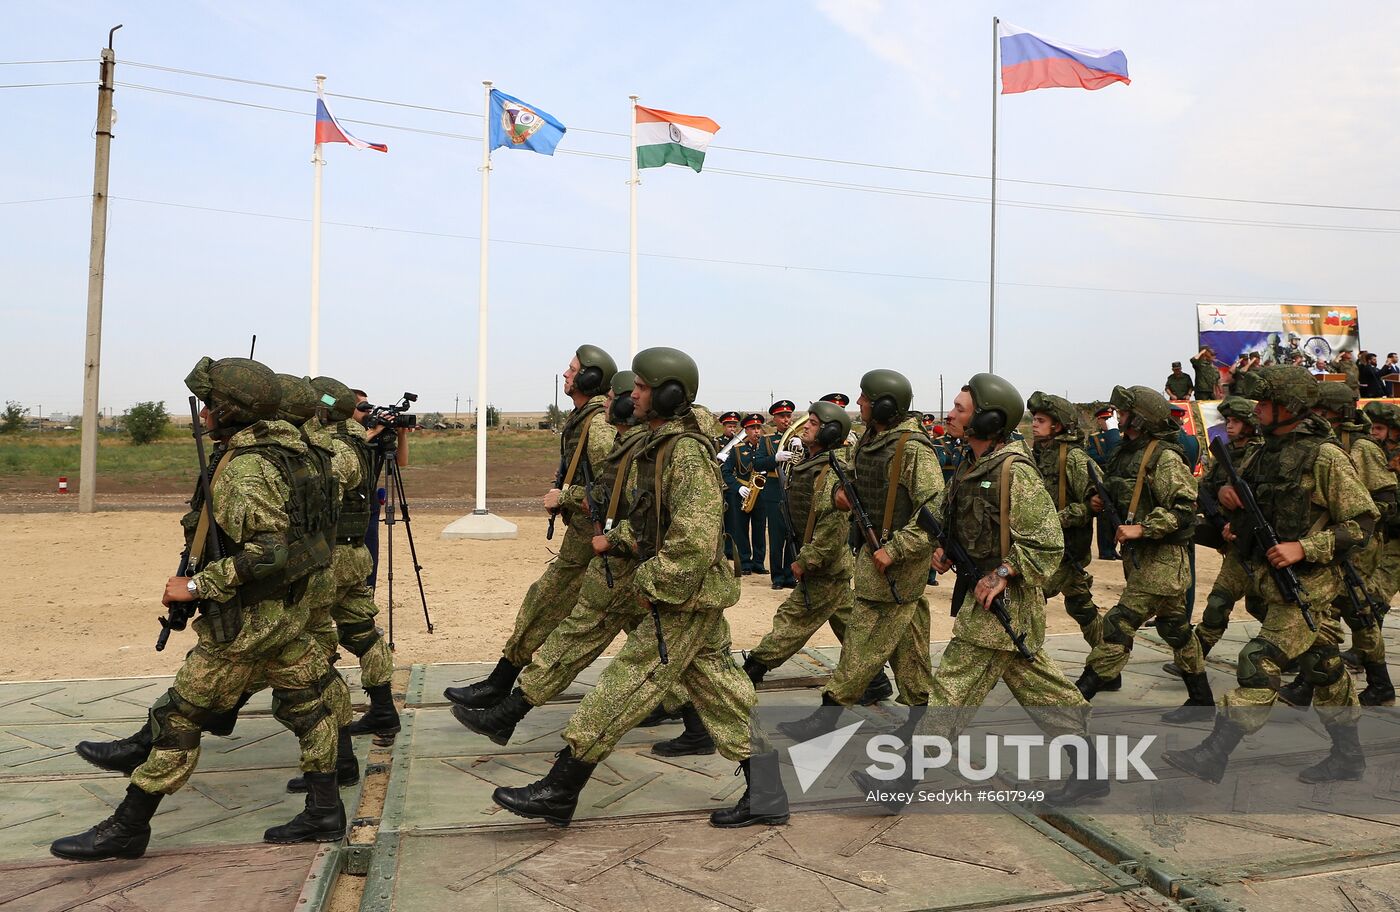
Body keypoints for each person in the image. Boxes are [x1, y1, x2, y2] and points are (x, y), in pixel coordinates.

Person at [53, 357, 343, 861]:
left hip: (249, 621)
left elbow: (269, 551)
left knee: (182, 716)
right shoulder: (301, 453)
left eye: (210, 405)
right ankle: (325, 810)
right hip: (293, 610)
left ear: (232, 410)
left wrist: (196, 584)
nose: (203, 415)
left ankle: (128, 826)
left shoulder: (248, 468)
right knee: (308, 705)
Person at [490, 347, 789, 829]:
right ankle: (769, 792)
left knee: (623, 686)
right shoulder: (659, 447)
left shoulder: (685, 455)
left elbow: (692, 540)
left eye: (644, 388)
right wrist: (621, 540)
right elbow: (654, 524)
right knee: (722, 691)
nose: (634, 396)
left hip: (680, 596)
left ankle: (561, 788)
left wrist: (649, 582)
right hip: (687, 595)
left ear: (669, 394)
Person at [852, 374, 1105, 809]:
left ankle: (900, 783)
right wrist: (947, 551)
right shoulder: (972, 465)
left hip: (1000, 604)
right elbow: (969, 523)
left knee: (950, 689)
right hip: (989, 601)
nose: (950, 414)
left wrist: (1003, 572)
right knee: (1046, 691)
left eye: (961, 409)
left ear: (988, 419)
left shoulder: (1014, 471)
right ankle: (1091, 772)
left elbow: (1047, 542)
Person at [1164, 365, 1374, 786]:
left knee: (1257, 660)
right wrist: (1230, 503)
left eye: (1263, 403)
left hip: (1309, 584)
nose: (1256, 410)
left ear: (1289, 407)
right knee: (1324, 666)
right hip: (1267, 580)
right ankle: (1349, 757)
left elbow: (1363, 523)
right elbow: (1261, 509)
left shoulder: (1325, 456)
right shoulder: (1263, 451)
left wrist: (1305, 548)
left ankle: (1214, 753)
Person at [444, 345, 617, 710]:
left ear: (589, 378)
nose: (566, 375)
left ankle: (500, 684)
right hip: (589, 536)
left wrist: (565, 497)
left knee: (545, 601)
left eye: (572, 370)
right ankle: (680, 703)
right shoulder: (584, 418)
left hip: (595, 537)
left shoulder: (597, 425)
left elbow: (615, 487)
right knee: (632, 617)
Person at [777, 369, 942, 741]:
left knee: (862, 644)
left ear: (884, 404)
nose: (860, 403)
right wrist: (839, 495)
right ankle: (919, 716)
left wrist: (896, 549)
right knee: (909, 645)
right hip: (877, 562)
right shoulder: (871, 441)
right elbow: (848, 480)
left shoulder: (912, 449)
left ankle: (828, 716)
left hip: (898, 565)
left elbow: (934, 510)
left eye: (865, 398)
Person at [742, 401, 893, 704]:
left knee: (792, 621)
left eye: (813, 422)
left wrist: (806, 560)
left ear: (832, 430)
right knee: (848, 622)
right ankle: (874, 679)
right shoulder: (815, 465)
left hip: (824, 567)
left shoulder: (831, 471)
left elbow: (833, 527)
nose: (804, 425)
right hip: (831, 567)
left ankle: (751, 671)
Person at [1075, 386, 1204, 725]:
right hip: (1142, 560)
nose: (1118, 414)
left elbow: (1186, 508)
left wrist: (1143, 529)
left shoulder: (1164, 457)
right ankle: (1203, 699)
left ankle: (1075, 699)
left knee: (1118, 624)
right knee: (1175, 628)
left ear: (1142, 418)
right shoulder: (1125, 452)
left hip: (1164, 559)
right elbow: (1117, 486)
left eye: (1124, 410)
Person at [1280, 383, 1394, 707]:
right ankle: (1310, 681)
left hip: (1358, 546)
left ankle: (1378, 684)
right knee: (1330, 613)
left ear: (1335, 413)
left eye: (1320, 411)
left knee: (1355, 613)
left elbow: (1386, 497)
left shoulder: (1362, 448)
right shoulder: (1321, 446)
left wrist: (1354, 513)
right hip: (1329, 543)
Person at [311, 377, 401, 739]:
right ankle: (383, 710)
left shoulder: (334, 450)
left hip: (329, 558)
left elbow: (317, 509)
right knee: (364, 632)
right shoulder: (359, 443)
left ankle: (336, 738)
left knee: (315, 641)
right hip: (354, 554)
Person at [1166, 396, 1265, 677]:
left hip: (1259, 543)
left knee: (1260, 604)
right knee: (1218, 602)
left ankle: (1299, 650)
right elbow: (1206, 486)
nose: (1229, 426)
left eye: (1235, 421)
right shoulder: (1226, 453)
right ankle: (1193, 659)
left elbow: (1263, 501)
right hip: (1235, 544)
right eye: (1228, 421)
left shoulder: (1261, 455)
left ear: (1250, 425)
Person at [1027, 392, 1100, 646]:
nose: (1034, 424)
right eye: (1034, 419)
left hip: (1064, 550)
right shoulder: (1036, 455)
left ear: (1057, 425)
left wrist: (1060, 518)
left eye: (1040, 420)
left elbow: (1096, 502)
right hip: (1044, 545)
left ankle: (1027, 656)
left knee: (1027, 594)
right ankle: (1107, 657)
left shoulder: (1073, 457)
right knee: (1080, 605)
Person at [753, 399, 798, 590]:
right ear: (775, 418)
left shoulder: (800, 439)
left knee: (792, 534)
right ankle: (777, 577)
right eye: (782, 416)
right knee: (776, 534)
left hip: (795, 491)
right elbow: (758, 464)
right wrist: (775, 458)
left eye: (788, 416)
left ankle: (790, 575)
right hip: (774, 490)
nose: (786, 420)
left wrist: (802, 445)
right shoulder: (767, 440)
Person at [724, 414, 767, 574]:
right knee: (741, 530)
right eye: (752, 428)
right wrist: (737, 487)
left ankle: (759, 563)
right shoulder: (737, 450)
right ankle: (745, 562)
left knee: (759, 529)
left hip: (761, 494)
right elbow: (726, 472)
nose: (757, 431)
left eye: (758, 428)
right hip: (742, 494)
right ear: (746, 431)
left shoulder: (766, 448)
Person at [1086, 407, 1122, 560]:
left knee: (1117, 515)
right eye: (1105, 420)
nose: (1107, 423)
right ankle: (1105, 550)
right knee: (1104, 516)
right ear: (1099, 421)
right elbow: (1092, 457)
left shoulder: (1119, 436)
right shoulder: (1095, 438)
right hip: (1102, 480)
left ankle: (1113, 548)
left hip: (1118, 481)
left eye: (1110, 419)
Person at [716, 410, 742, 560]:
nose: (732, 429)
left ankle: (731, 550)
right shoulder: (717, 442)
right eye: (729, 426)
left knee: (733, 519)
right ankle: (719, 549)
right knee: (720, 519)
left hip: (732, 485)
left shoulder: (738, 444)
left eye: (734, 426)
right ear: (723, 426)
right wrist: (717, 455)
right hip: (719, 485)